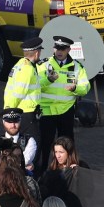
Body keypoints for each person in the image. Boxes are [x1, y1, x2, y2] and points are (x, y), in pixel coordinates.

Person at [37, 36, 90, 171]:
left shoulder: (76, 67)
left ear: (68, 49)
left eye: (63, 48)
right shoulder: (44, 64)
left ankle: (66, 169)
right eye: (57, 48)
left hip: (66, 110)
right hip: (47, 110)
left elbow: (85, 87)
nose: (59, 51)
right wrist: (48, 80)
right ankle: (42, 170)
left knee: (67, 143)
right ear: (53, 48)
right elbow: (35, 85)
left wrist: (75, 88)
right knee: (45, 143)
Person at [2, 37, 44, 134]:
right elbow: (19, 93)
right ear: (37, 53)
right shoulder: (28, 69)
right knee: (32, 143)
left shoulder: (20, 64)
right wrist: (9, 113)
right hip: (26, 112)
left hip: (21, 111)